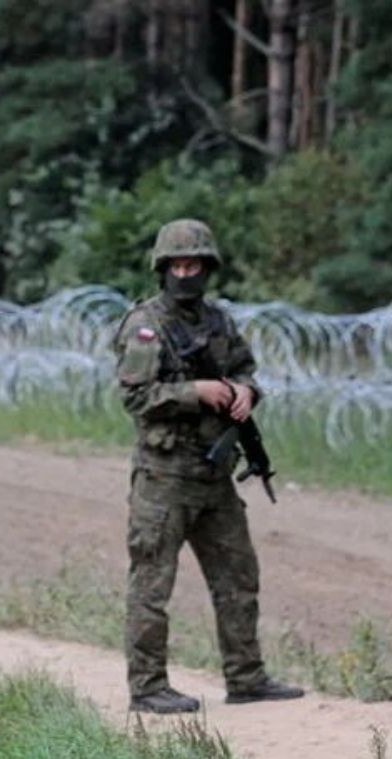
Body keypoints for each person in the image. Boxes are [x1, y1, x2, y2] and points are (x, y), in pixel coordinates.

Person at [114, 219, 304, 714]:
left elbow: (244, 368)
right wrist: (194, 392)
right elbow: (135, 397)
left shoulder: (219, 321)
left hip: (214, 475)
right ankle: (148, 686)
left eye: (193, 264)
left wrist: (246, 393)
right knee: (152, 584)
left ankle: (247, 677)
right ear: (163, 268)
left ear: (207, 267)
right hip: (165, 475)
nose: (185, 272)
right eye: (177, 264)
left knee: (238, 577)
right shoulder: (145, 325)